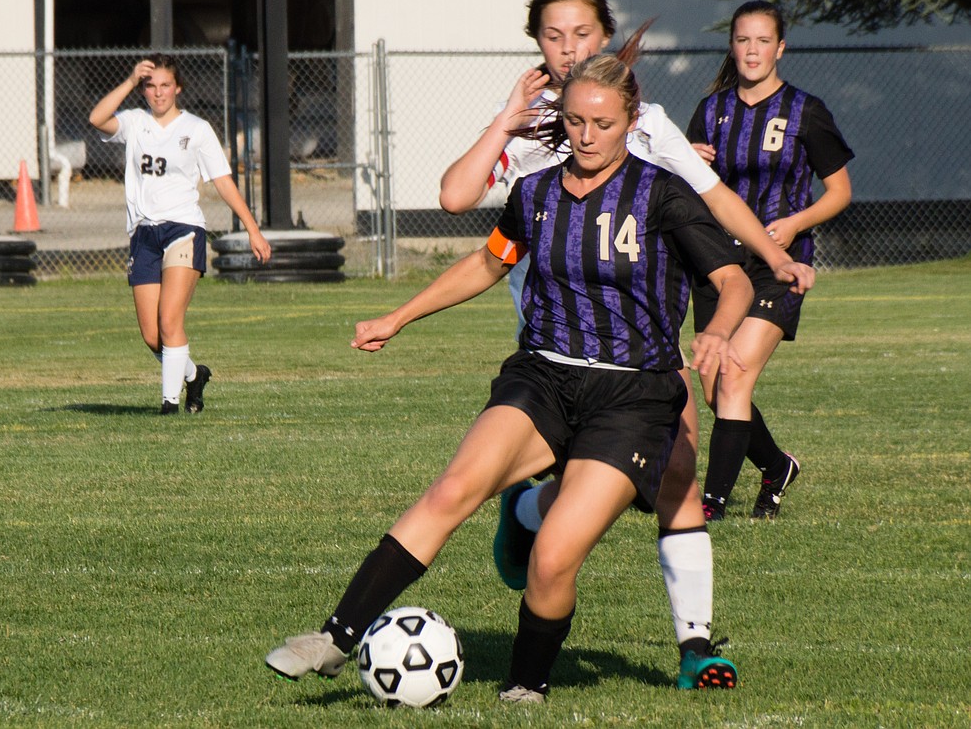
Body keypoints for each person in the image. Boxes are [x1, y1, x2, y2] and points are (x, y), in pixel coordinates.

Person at [265, 54, 753, 703]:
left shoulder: (662, 194)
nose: (586, 136)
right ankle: (335, 636)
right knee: (452, 490)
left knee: (552, 559)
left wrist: (718, 329)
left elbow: (733, 280)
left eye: (602, 124)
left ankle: (526, 685)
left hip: (632, 397)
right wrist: (400, 315)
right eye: (575, 121)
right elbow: (489, 263)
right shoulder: (538, 192)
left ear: (630, 121)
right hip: (543, 375)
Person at [440, 0, 811, 685]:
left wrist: (773, 256)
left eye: (581, 33)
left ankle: (695, 644)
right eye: (553, 35)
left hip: (637, 347)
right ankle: (525, 511)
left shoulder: (642, 120)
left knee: (678, 467)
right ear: (536, 44)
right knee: (569, 503)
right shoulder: (520, 119)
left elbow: (712, 197)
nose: (568, 47)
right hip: (552, 355)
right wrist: (503, 122)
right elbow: (456, 199)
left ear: (604, 38)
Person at [686, 0, 854, 520]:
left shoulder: (806, 110)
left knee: (734, 376)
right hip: (720, 264)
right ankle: (776, 465)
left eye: (763, 40)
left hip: (780, 264)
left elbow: (839, 191)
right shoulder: (711, 110)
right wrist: (687, 160)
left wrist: (796, 223)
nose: (752, 50)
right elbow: (685, 186)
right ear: (732, 46)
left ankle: (710, 503)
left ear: (780, 48)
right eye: (743, 40)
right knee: (716, 385)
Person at [89, 54, 271, 415]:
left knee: (171, 321)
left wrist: (253, 229)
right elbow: (97, 119)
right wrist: (128, 81)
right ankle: (194, 375)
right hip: (144, 234)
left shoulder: (197, 129)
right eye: (151, 85)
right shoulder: (135, 122)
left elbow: (222, 181)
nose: (158, 93)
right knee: (152, 335)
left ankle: (169, 405)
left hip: (184, 230)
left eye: (165, 85)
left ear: (178, 88)